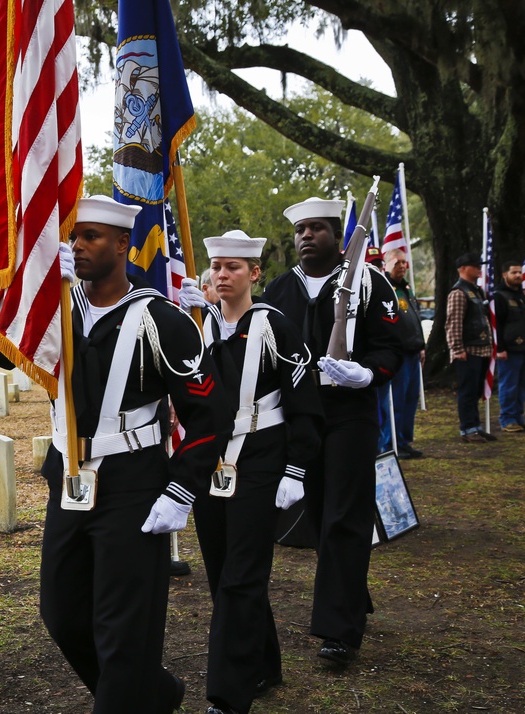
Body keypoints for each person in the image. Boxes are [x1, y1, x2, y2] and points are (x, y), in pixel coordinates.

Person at [0, 194, 229, 713]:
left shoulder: (164, 321)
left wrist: (181, 489)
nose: (78, 246)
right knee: (62, 613)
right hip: (69, 480)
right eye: (74, 237)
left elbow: (210, 418)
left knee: (123, 629)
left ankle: (127, 695)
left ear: (123, 244)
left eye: (90, 236)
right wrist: (24, 285)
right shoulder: (52, 315)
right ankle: (153, 693)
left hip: (134, 484)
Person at [179, 230, 323, 714]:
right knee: (223, 573)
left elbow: (305, 402)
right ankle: (265, 662)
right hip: (212, 463)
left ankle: (228, 692)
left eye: (234, 267)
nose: (222, 274)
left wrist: (296, 468)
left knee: (242, 575)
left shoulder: (276, 327)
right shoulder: (200, 326)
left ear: (254, 273)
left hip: (262, 457)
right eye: (216, 266)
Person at [262, 197, 402, 667]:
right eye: (301, 229)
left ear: (338, 235)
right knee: (319, 513)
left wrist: (367, 373)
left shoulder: (369, 281)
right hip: (299, 417)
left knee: (345, 514)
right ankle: (350, 594)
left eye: (317, 228)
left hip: (348, 414)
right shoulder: (279, 291)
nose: (306, 236)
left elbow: (393, 344)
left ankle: (339, 631)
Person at [379, 248, 426, 457]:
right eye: (397, 262)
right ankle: (392, 443)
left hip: (414, 351)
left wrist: (421, 346)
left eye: (404, 262)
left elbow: (414, 318)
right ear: (386, 265)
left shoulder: (406, 288)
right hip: (399, 353)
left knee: (410, 399)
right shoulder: (385, 288)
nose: (402, 266)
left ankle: (405, 440)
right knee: (396, 400)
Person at [446, 252, 496, 443]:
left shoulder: (476, 291)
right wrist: (457, 348)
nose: (479, 268)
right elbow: (453, 323)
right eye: (475, 265)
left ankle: (475, 426)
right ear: (463, 268)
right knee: (467, 391)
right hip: (468, 350)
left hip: (481, 349)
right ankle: (467, 429)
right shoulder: (459, 293)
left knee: (475, 391)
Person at [493, 260, 525, 432]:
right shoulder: (500, 296)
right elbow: (497, 325)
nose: (518, 276)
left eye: (519, 272)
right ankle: (507, 419)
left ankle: (518, 417)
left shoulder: (523, 296)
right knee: (509, 384)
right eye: (513, 273)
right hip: (509, 350)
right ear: (504, 275)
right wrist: (500, 348)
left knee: (523, 384)